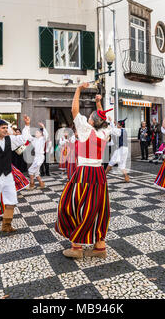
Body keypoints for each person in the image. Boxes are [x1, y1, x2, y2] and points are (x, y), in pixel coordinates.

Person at [55, 83, 112, 259]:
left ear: (92, 121)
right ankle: (99, 247)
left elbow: (74, 110)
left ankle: (77, 247)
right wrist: (98, 103)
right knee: (98, 208)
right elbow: (104, 119)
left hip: (84, 172)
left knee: (74, 206)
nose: (87, 118)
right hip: (99, 174)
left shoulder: (86, 130)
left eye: (90, 117)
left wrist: (78, 89)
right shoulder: (105, 132)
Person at [106, 116, 130, 183]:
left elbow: (113, 130)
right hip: (125, 149)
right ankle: (126, 178)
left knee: (111, 162)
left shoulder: (120, 131)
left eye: (118, 124)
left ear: (120, 125)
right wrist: (113, 123)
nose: (117, 125)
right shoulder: (124, 130)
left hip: (121, 149)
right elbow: (115, 129)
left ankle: (104, 176)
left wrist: (111, 121)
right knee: (122, 165)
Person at [26, 122, 48, 190]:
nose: (35, 133)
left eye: (37, 132)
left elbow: (46, 135)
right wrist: (27, 129)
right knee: (36, 173)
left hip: (40, 157)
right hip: (36, 157)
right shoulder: (35, 139)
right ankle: (41, 184)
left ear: (41, 134)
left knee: (31, 170)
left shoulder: (43, 139)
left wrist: (43, 127)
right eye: (35, 132)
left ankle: (32, 185)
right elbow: (29, 137)